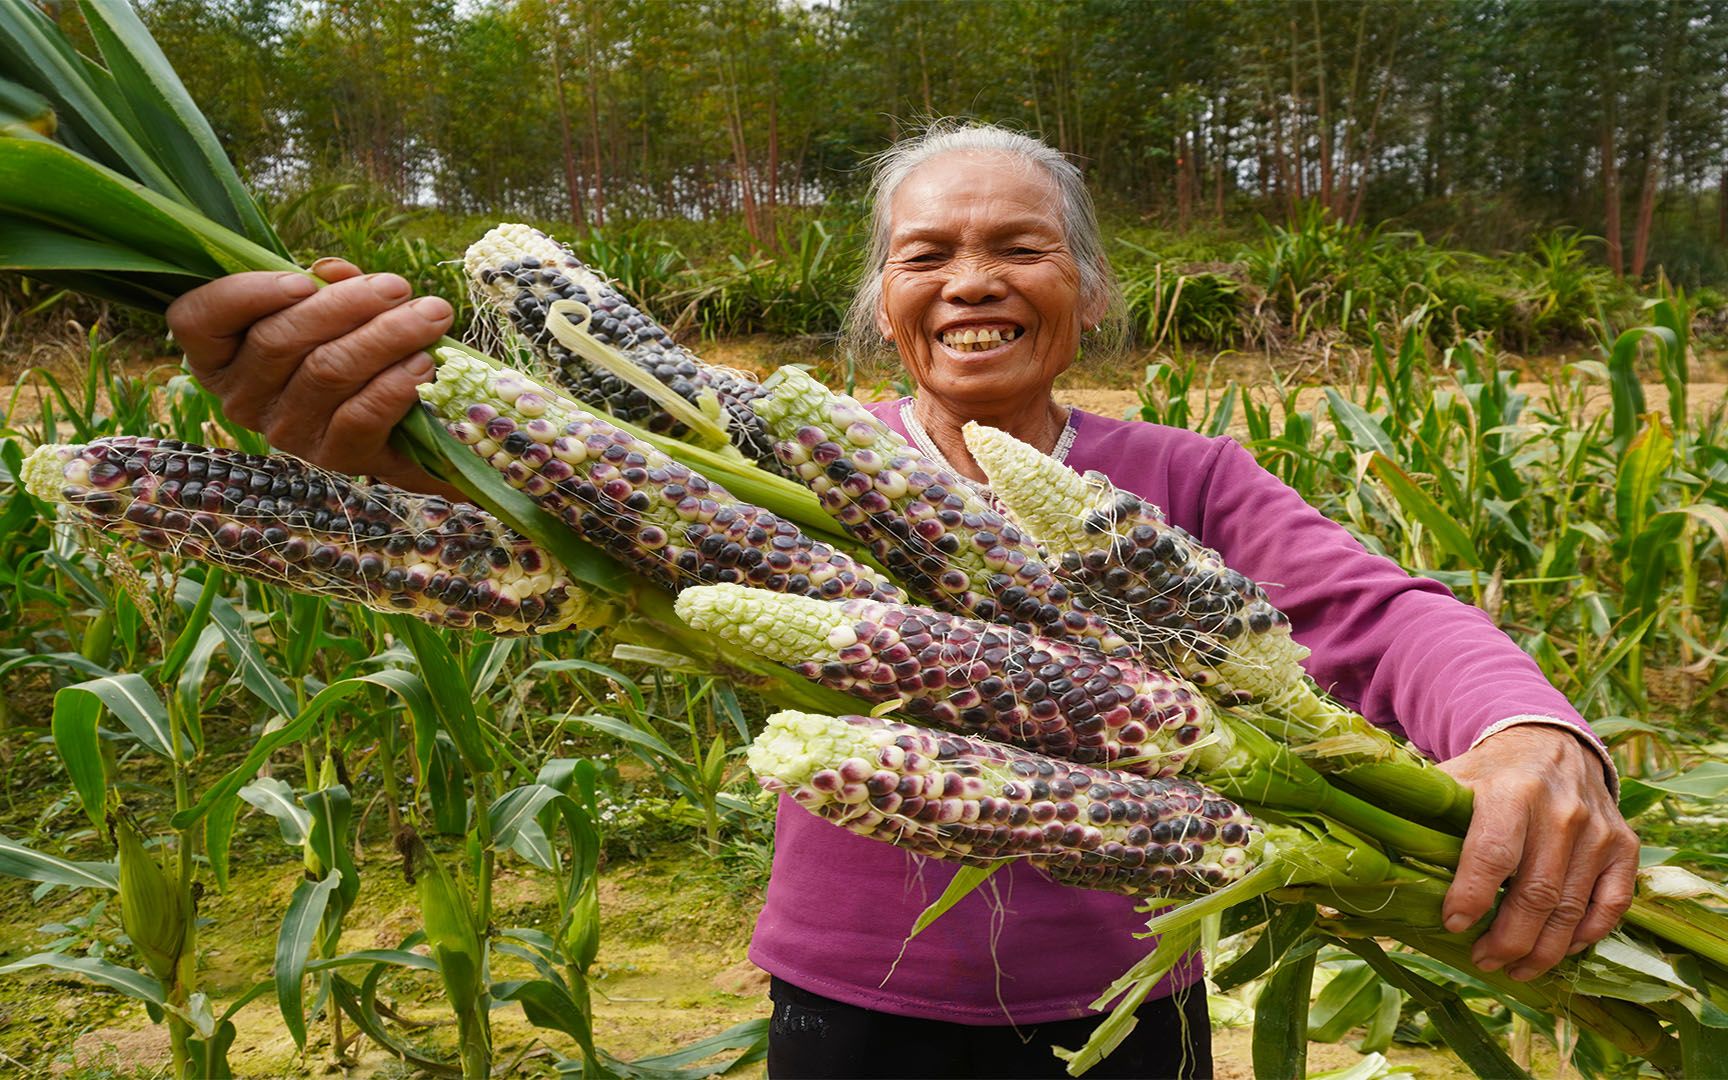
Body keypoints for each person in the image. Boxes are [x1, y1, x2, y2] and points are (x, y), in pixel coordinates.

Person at [166, 121, 1639, 1079]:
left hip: (1129, 1011)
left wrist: (1527, 730)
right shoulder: (769, 462)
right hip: (852, 1009)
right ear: (882, 298)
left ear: (1087, 286)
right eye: (927, 253)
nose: (972, 280)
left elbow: (1378, 615)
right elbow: (578, 521)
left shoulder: (1180, 477)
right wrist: (391, 433)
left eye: (1021, 245)